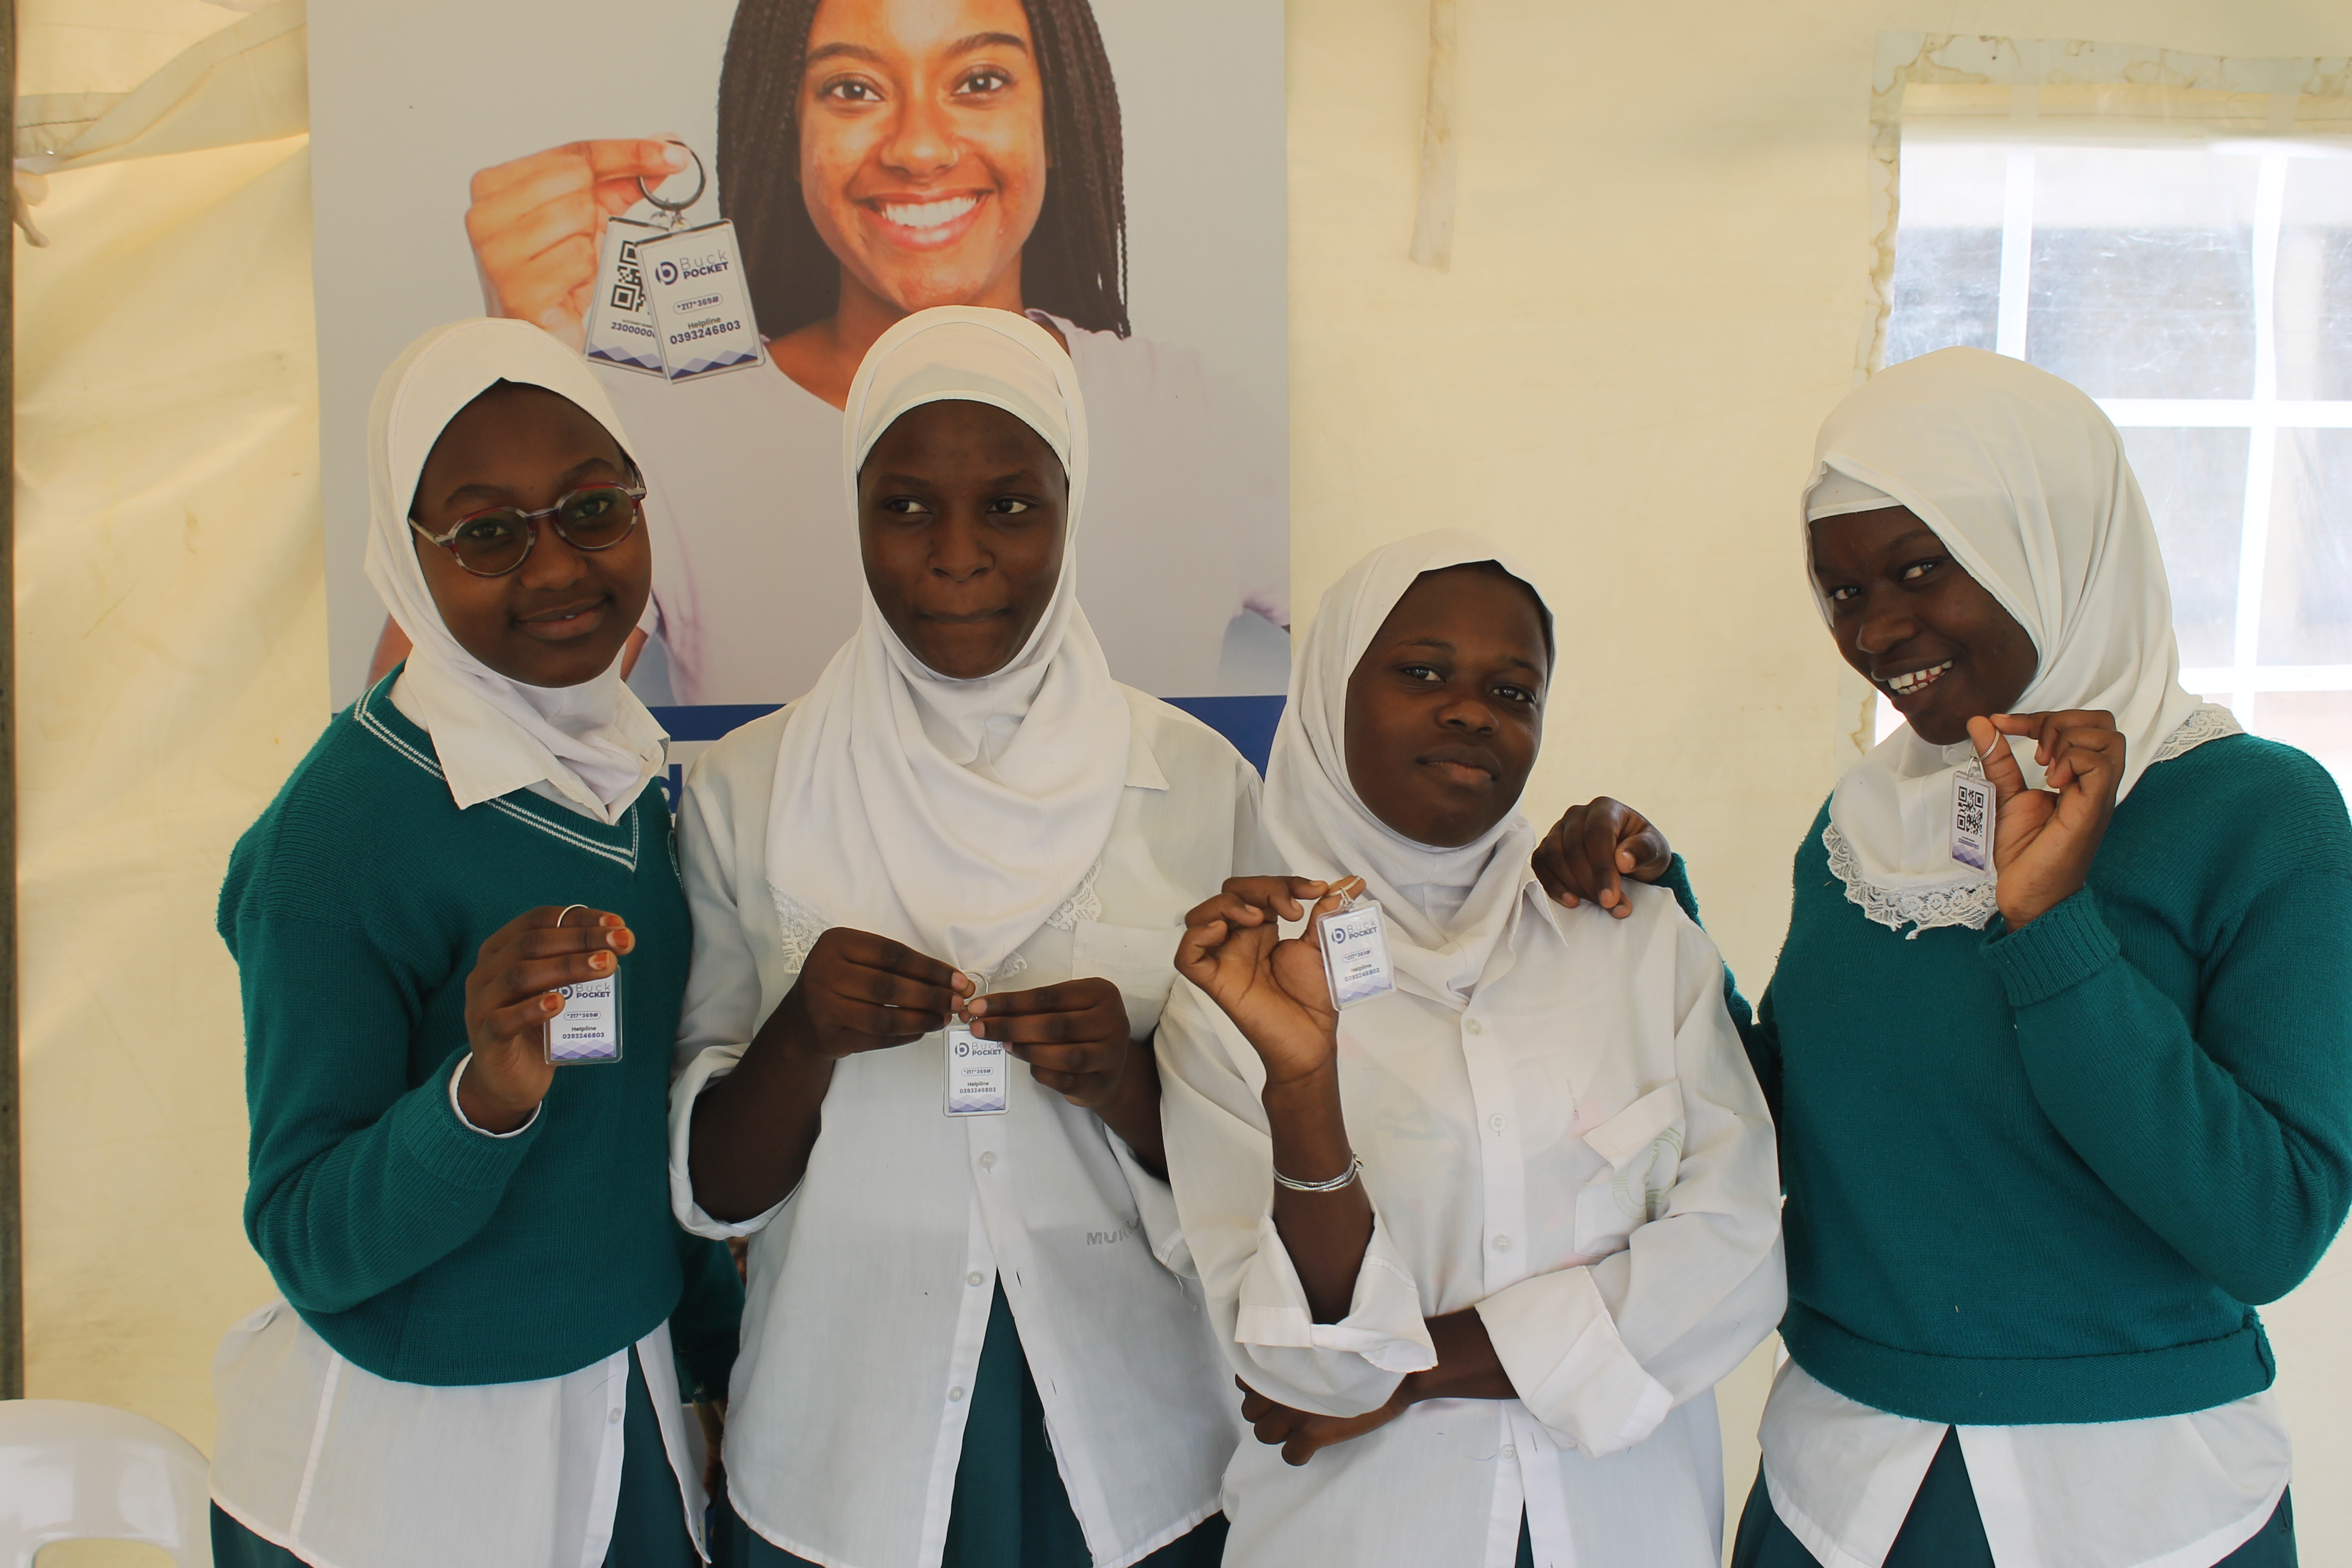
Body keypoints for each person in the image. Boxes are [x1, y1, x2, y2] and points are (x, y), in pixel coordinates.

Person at [1556, 348, 2350, 1568]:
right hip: (1844, 1489)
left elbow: (2266, 1228)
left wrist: (2054, 927)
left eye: (1921, 568)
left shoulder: (2259, 815)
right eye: (1839, 590)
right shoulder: (1867, 823)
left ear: (2052, 537)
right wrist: (1658, 918)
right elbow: (1789, 1121)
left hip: (2144, 1504)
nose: (1874, 629)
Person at [667, 306, 1256, 1567]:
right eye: (906, 506)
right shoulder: (747, 790)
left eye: (1010, 505)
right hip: (839, 1439)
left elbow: (1275, 1159)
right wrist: (804, 1037)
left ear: (1071, 506)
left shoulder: (1198, 787)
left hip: (1136, 1434)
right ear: (855, 509)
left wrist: (1127, 1081)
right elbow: (714, 1190)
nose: (957, 555)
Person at [209, 318, 741, 1568]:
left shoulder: (614, 765)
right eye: (489, 533)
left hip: (622, 1415)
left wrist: (718, 1360)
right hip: (412, 1470)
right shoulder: (334, 841)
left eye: (593, 507)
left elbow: (636, 1130)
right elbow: (303, 1228)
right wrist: (480, 1095)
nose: (557, 566)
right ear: (409, 559)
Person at [1155, 532, 1786, 1568]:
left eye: (1513, 690)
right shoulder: (1239, 987)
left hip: (1626, 1532)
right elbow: (1310, 1377)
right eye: (1422, 672)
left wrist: (1419, 1367)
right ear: (1327, 697)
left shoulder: (1638, 943)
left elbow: (1738, 1259)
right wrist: (1305, 1083)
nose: (1470, 710)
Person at [425, 0, 1288, 705]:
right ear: (786, 130)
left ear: (1055, 120)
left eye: (980, 81)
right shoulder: (666, 437)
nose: (918, 148)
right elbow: (442, 761)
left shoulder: (1196, 420)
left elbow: (1404, 638)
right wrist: (520, 369)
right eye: (852, 89)